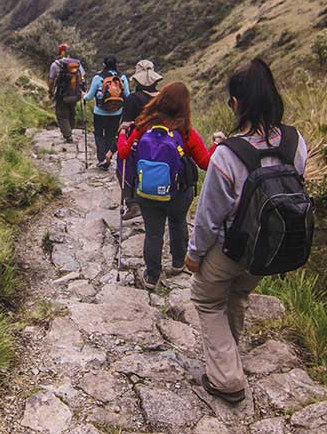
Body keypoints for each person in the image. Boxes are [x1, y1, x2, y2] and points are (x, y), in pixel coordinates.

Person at [187, 59, 308, 404]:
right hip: (269, 248)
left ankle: (227, 379)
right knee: (237, 296)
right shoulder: (296, 142)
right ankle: (230, 356)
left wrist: (194, 256)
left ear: (237, 104)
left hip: (229, 249)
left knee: (207, 300)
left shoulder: (226, 156)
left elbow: (210, 217)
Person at [117, 82, 219, 290]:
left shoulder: (143, 125)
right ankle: (178, 262)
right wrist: (218, 144)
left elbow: (125, 153)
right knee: (178, 222)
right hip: (179, 191)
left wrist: (121, 133)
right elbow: (207, 163)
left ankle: (152, 276)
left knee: (153, 232)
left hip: (146, 191)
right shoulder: (187, 132)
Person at [117, 60, 163, 220]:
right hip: (161, 141)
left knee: (123, 168)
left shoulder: (133, 99)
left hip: (138, 142)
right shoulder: (162, 97)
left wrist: (114, 146)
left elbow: (125, 124)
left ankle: (132, 203)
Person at [83, 56, 130, 169]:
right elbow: (128, 95)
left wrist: (83, 96)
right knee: (111, 135)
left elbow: (89, 97)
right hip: (116, 112)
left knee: (99, 134)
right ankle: (108, 158)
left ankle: (101, 158)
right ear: (116, 64)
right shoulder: (122, 77)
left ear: (104, 65)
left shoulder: (98, 78)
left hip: (99, 112)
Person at [48, 43, 85, 143]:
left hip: (62, 94)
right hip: (75, 93)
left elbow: (51, 80)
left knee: (61, 114)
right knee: (71, 111)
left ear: (59, 52)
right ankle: (70, 129)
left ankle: (68, 135)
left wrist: (50, 91)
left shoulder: (55, 65)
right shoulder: (77, 64)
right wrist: (82, 90)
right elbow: (82, 77)